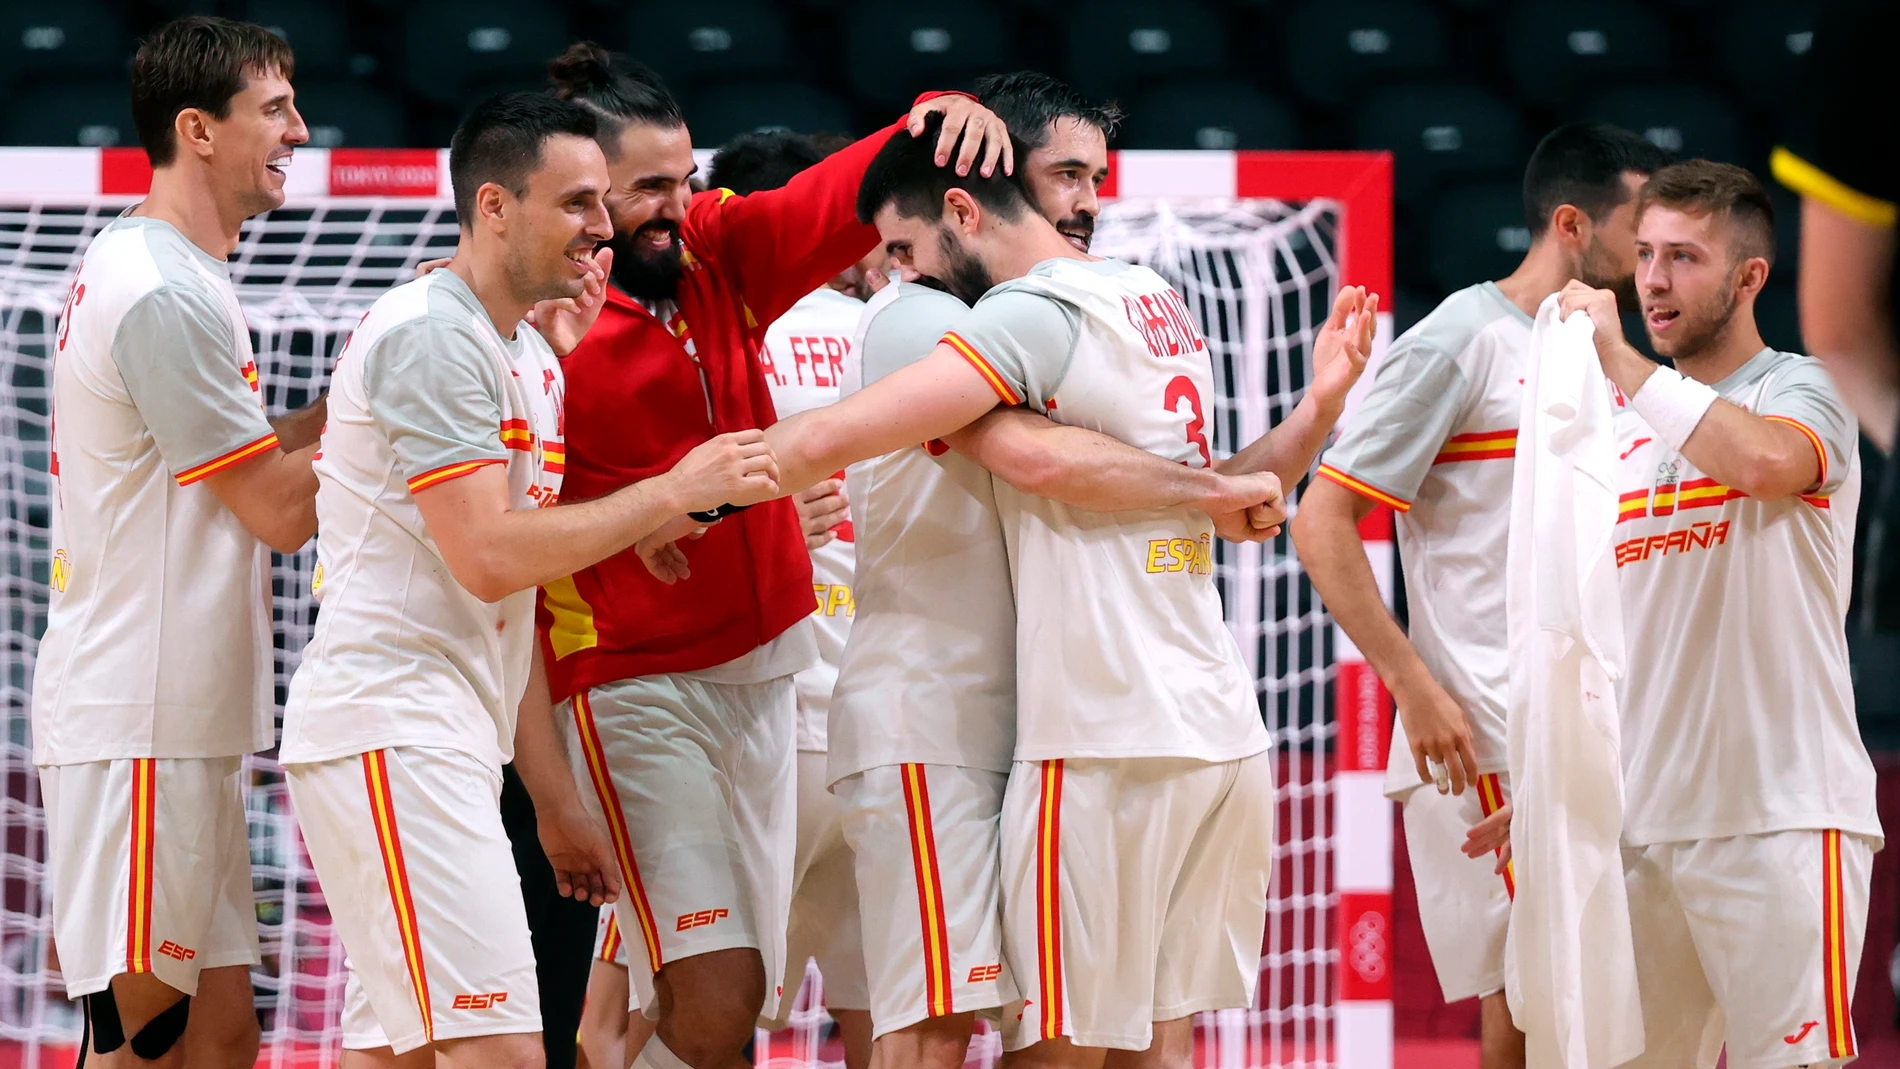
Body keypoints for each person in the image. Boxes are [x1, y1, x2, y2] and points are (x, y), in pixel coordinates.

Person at [731, 112, 1374, 1066]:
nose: (1085, 201)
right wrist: (686, 501)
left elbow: (1179, 485)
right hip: (936, 720)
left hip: (1061, 717)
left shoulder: (1077, 306)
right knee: (941, 1022)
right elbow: (1037, 457)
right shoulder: (921, 310)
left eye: (1093, 178)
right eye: (1065, 176)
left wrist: (1301, 425)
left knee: (1109, 1030)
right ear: (997, 185)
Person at [536, 43, 1017, 1069]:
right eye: (647, 191)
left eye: (686, 180)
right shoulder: (535, 325)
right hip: (631, 680)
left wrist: (935, 114)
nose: (677, 206)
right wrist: (657, 510)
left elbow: (833, 195)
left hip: (772, 675)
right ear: (583, 200)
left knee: (709, 1014)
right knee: (715, 992)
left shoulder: (715, 252)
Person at [276, 91, 779, 1069]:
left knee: (405, 1055)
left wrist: (549, 795)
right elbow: (489, 553)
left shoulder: (533, 355)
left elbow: (511, 602)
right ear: (495, 205)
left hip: (451, 733)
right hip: (391, 729)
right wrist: (665, 490)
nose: (603, 227)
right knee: (504, 1048)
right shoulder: (432, 334)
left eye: (602, 202)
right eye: (578, 202)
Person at [1480, 159, 1883, 1069]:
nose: (1653, 281)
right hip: (1637, 827)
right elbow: (1612, 638)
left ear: (1750, 278)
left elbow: (1771, 465)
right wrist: (1558, 767)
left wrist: (1621, 362)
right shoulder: (1615, 431)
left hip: (1779, 818)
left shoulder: (1803, 391)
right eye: (1648, 253)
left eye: (1686, 259)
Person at [1288, 122, 1669, 1069]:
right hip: (1488, 718)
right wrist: (1415, 689)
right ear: (1574, 225)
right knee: (1537, 997)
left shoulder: (1607, 350)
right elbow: (1320, 523)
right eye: (1641, 231)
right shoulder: (1460, 340)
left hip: (1595, 715)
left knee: (1599, 990)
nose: (1655, 255)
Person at [33, 16, 323, 1068]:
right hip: (143, 711)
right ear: (198, 130)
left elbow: (244, 457)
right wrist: (406, 423)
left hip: (179, 715)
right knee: (140, 1039)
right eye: (276, 109)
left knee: (219, 1035)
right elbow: (281, 512)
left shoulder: (173, 273)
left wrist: (346, 408)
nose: (300, 129)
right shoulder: (160, 291)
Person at [704, 129, 880, 1068]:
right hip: (885, 728)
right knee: (889, 1024)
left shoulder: (715, 327)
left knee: (697, 1020)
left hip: (758, 721)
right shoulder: (892, 332)